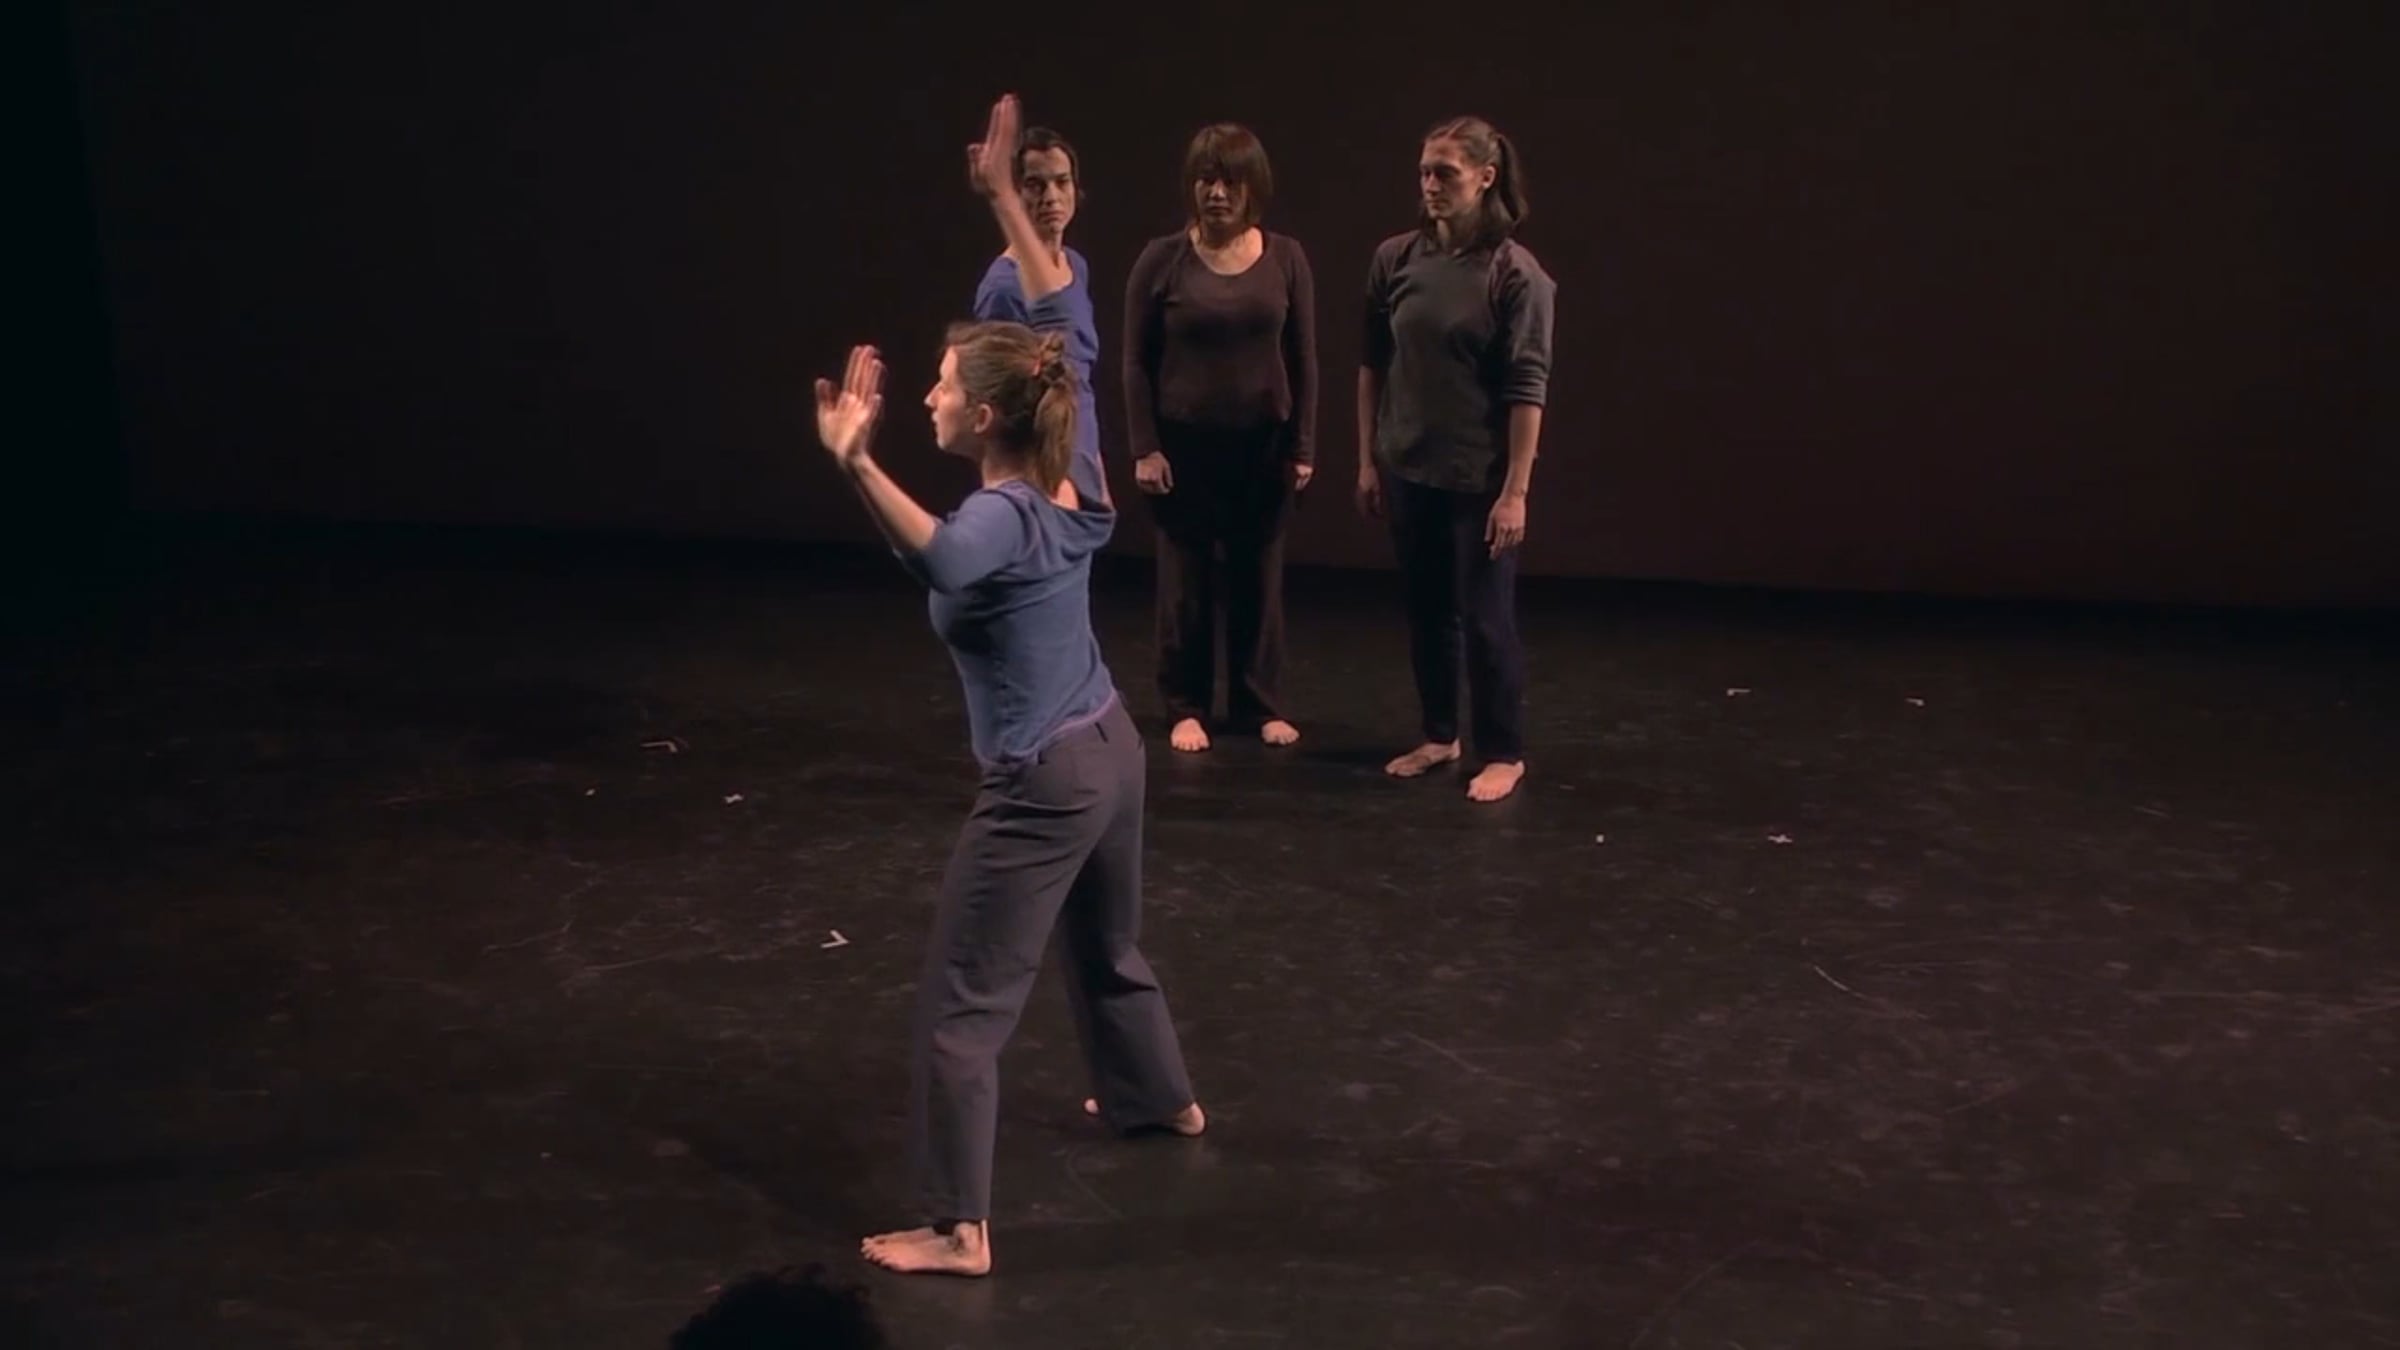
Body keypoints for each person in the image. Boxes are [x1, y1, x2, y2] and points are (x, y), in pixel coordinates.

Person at [815, 94, 1203, 1280]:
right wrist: (1000, 203)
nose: (929, 395)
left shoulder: (996, 517)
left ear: (985, 415)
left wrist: (855, 462)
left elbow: (943, 558)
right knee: (1106, 946)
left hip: (1042, 783)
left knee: (961, 1004)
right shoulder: (1074, 466)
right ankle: (1159, 1099)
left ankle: (956, 1226)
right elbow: (1060, 315)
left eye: (941, 385)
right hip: (1113, 751)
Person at [1356, 115, 1556, 804]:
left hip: (1478, 477)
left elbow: (1528, 389)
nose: (1431, 185)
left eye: (1446, 172)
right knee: (1426, 611)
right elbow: (1373, 364)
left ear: (1486, 177)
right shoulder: (1396, 259)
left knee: (1486, 619)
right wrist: (1368, 459)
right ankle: (1440, 734)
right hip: (1409, 465)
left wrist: (1516, 492)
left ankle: (1503, 751)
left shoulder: (1515, 274)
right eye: (1424, 172)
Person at [1123, 123, 1318, 753]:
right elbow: (1135, 361)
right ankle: (1186, 706)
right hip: (1184, 449)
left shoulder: (1286, 258)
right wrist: (1145, 446)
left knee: (1258, 579)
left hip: (1262, 447)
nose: (1217, 193)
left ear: (1253, 188)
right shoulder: (1162, 260)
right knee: (1186, 585)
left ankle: (1260, 704)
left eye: (1230, 181)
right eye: (1206, 180)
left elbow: (1304, 357)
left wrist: (1303, 444)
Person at [967, 120, 1111, 510]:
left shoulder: (1075, 266)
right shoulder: (1003, 286)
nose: (1052, 197)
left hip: (1081, 459)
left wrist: (1096, 473)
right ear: (1016, 193)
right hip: (1040, 476)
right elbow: (1000, 400)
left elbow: (1079, 381)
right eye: (1035, 185)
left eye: (1062, 182)